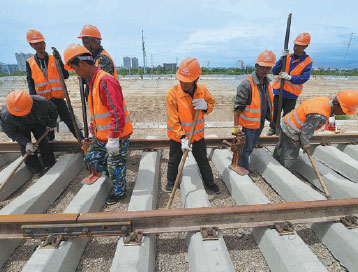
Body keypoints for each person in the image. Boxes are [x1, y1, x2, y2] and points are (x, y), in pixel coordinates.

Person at [63, 44, 133, 205]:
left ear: (82, 64)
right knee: (91, 157)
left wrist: (114, 138)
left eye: (74, 69)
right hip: (102, 136)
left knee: (115, 164)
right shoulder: (93, 82)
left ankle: (119, 192)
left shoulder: (106, 81)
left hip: (117, 135)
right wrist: (93, 130)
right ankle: (114, 176)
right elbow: (97, 111)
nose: (76, 74)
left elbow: (117, 113)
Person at [165, 57, 220, 194]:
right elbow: (173, 120)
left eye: (187, 81)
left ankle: (210, 183)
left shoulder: (202, 91)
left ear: (196, 79)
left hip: (197, 136)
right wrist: (182, 137)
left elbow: (211, 103)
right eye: (181, 80)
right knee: (174, 160)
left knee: (203, 160)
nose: (183, 83)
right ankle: (171, 182)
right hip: (179, 137)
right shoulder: (172, 94)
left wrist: (206, 106)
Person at [273, 89, 358, 170]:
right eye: (343, 111)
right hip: (292, 130)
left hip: (286, 122)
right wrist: (305, 144)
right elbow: (306, 132)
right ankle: (285, 170)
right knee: (290, 155)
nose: (343, 113)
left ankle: (275, 161)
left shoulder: (325, 100)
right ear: (336, 104)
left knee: (281, 147)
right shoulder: (319, 114)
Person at [25, 29, 82, 141]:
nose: (41, 45)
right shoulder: (29, 62)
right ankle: (51, 143)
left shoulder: (54, 59)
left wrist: (59, 60)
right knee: (47, 123)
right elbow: (30, 83)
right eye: (37, 43)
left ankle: (81, 140)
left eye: (42, 42)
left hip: (58, 98)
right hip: (42, 100)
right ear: (32, 45)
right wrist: (34, 100)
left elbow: (65, 75)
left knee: (69, 120)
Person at [233, 50, 276, 175]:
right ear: (256, 66)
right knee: (246, 149)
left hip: (260, 121)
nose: (264, 70)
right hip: (249, 124)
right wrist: (236, 127)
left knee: (251, 147)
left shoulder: (267, 83)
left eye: (268, 67)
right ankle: (242, 168)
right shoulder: (246, 84)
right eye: (262, 67)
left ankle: (243, 165)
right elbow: (238, 107)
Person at [0, 90, 57, 177]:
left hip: (38, 121)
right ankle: (37, 171)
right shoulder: (5, 116)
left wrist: (51, 124)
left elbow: (53, 111)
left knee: (43, 143)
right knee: (26, 149)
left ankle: (50, 164)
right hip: (20, 127)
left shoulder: (41, 102)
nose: (22, 114)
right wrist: (25, 142)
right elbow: (12, 132)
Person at [267, 32, 313, 136]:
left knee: (288, 115)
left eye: (299, 46)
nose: (295, 48)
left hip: (292, 94)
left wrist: (290, 77)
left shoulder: (307, 61)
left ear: (305, 46)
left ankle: (284, 131)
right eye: (295, 45)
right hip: (279, 90)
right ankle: (273, 128)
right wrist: (281, 59)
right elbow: (275, 71)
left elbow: (304, 78)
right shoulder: (287, 57)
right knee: (275, 112)